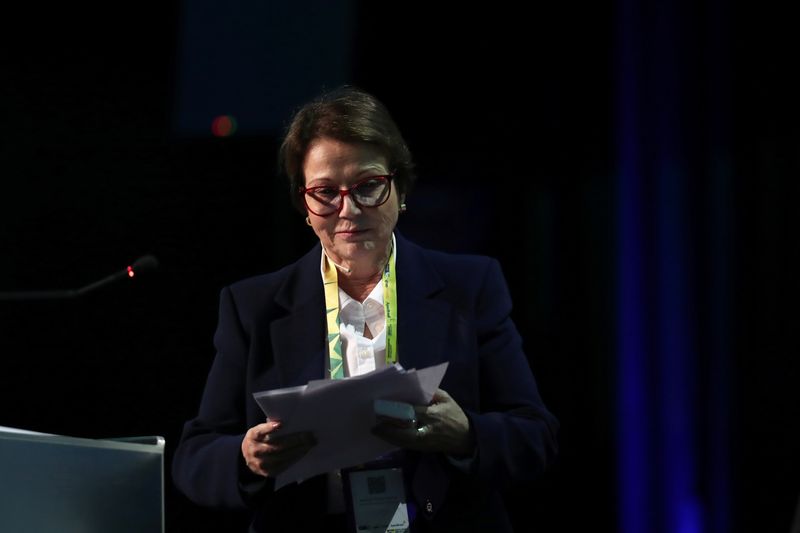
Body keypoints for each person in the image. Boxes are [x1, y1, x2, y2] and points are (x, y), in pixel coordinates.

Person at [172, 87, 558, 532]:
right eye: (325, 192)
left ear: (401, 187)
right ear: (305, 206)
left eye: (368, 186)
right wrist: (245, 457)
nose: (348, 210)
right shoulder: (253, 306)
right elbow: (194, 459)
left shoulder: (469, 288)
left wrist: (468, 434)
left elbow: (535, 438)